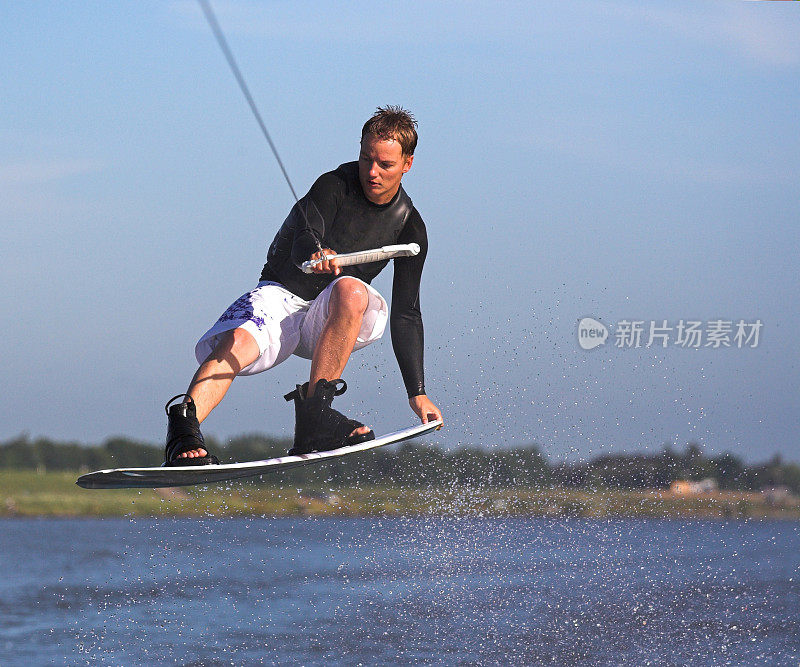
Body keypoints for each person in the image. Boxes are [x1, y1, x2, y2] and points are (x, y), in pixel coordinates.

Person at [163, 106, 443, 465]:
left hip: (329, 318)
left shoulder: (410, 228)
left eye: (385, 165)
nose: (372, 172)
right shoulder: (334, 186)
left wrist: (416, 392)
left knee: (353, 289)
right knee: (237, 343)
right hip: (281, 293)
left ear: (407, 164)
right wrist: (316, 251)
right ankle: (183, 430)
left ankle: (315, 418)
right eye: (365, 158)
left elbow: (407, 312)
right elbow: (301, 240)